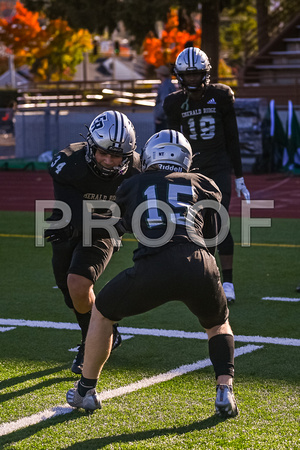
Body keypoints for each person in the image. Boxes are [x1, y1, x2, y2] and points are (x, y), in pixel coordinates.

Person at [66, 129, 239, 418]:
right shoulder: (204, 184)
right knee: (218, 325)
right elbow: (211, 235)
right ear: (186, 159)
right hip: (199, 262)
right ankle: (225, 389)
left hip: (154, 264)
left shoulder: (134, 184)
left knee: (103, 313)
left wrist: (76, 223)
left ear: (148, 158)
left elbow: (116, 226)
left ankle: (86, 390)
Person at [45, 110, 141, 374]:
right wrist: (72, 226)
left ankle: (90, 343)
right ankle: (106, 330)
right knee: (71, 294)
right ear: (90, 146)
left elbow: (131, 218)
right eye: (103, 153)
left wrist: (117, 227)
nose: (109, 160)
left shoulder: (137, 169)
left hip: (106, 226)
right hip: (71, 217)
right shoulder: (69, 162)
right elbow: (74, 213)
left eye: (116, 155)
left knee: (78, 283)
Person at [163, 47, 250, 303]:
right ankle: (206, 277)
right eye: (187, 75)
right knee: (192, 225)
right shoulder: (174, 102)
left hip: (219, 167)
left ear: (206, 73)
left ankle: (229, 282)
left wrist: (240, 175)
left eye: (196, 74)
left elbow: (233, 137)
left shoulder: (221, 96)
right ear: (179, 76)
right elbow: (174, 142)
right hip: (192, 170)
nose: (191, 79)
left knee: (219, 222)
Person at [153, 65, 176, 132]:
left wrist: (159, 117)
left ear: (161, 74)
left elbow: (164, 102)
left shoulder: (165, 86)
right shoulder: (169, 84)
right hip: (167, 118)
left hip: (163, 119)